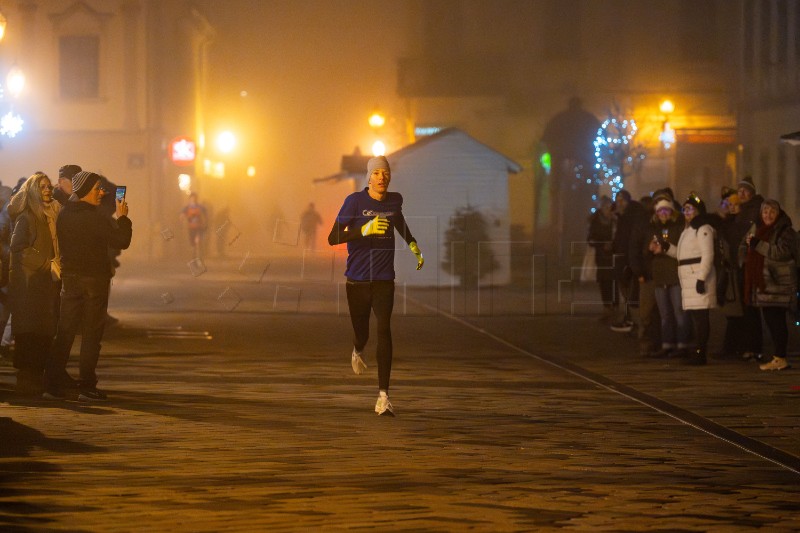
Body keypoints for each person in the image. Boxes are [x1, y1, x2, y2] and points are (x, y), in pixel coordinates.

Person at [327, 156, 424, 416]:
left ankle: (384, 396)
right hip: (356, 281)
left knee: (384, 329)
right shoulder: (355, 202)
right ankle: (358, 349)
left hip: (383, 280)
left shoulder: (394, 201)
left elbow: (399, 221)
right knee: (363, 333)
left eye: (386, 172)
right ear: (369, 177)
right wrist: (364, 229)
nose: (382, 177)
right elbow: (332, 237)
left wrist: (413, 245)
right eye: (377, 173)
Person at [43, 171, 132, 401]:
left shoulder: (64, 215)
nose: (102, 193)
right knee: (92, 334)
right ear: (83, 192)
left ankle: (51, 384)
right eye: (97, 189)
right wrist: (123, 218)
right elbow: (121, 241)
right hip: (94, 280)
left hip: (70, 280)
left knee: (65, 332)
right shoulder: (95, 217)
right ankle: (87, 386)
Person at [7, 173, 61, 395]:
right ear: (32, 191)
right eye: (42, 187)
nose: (48, 190)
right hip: (29, 286)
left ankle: (34, 381)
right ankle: (26, 383)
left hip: (42, 284)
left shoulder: (48, 214)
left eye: (49, 186)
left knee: (41, 333)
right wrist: (46, 263)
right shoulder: (27, 217)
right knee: (29, 334)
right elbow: (18, 249)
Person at [657, 192, 717, 365]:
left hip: (697, 276)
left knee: (701, 318)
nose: (687, 211)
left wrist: (701, 277)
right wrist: (667, 247)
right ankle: (697, 350)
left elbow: (707, 255)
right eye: (685, 208)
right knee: (696, 317)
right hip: (689, 277)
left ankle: (700, 352)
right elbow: (683, 255)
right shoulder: (688, 230)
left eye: (690, 208)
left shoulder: (703, 228)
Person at [741, 199, 796, 371]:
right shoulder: (757, 228)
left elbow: (782, 252)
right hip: (764, 284)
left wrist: (759, 245)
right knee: (772, 321)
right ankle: (778, 357)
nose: (768, 215)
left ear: (778, 213)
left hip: (778, 283)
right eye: (765, 212)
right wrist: (746, 258)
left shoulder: (786, 231)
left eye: (772, 211)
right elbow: (745, 245)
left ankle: (780, 357)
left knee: (776, 321)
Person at [647, 194, 689, 358]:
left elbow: (682, 251)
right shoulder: (653, 228)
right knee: (665, 315)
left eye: (666, 210)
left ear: (671, 211)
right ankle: (667, 344)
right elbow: (646, 252)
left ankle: (683, 344)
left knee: (679, 312)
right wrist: (649, 249)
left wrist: (666, 248)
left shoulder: (679, 227)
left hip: (674, 276)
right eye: (660, 210)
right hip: (660, 277)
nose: (663, 213)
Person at [732, 176, 764, 360]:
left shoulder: (755, 209)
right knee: (746, 306)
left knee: (751, 306)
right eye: (739, 191)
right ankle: (749, 345)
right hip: (742, 263)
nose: (741, 194)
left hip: (751, 262)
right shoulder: (742, 210)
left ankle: (754, 347)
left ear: (752, 192)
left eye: (745, 190)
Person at [610, 190, 648, 333]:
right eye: (617, 200)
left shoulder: (632, 216)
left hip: (628, 259)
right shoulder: (623, 216)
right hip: (623, 258)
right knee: (626, 292)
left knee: (630, 292)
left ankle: (635, 322)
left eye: (622, 200)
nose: (619, 204)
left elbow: (628, 239)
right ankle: (630, 318)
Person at [586, 196, 615, 321]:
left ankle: (615, 307)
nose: (607, 209)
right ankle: (607, 307)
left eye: (609, 207)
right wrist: (601, 244)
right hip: (602, 257)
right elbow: (590, 239)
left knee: (614, 282)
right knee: (604, 282)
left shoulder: (616, 221)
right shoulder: (596, 221)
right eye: (605, 206)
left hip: (615, 257)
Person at [181, 192, 207, 259]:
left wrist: (205, 221)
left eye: (194, 198)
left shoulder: (200, 207)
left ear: (196, 199)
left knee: (198, 241)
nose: (193, 200)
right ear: (190, 199)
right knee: (192, 243)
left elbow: (205, 214)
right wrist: (182, 217)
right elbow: (182, 214)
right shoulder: (187, 207)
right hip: (191, 227)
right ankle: (194, 255)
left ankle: (199, 255)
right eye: (192, 198)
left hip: (199, 227)